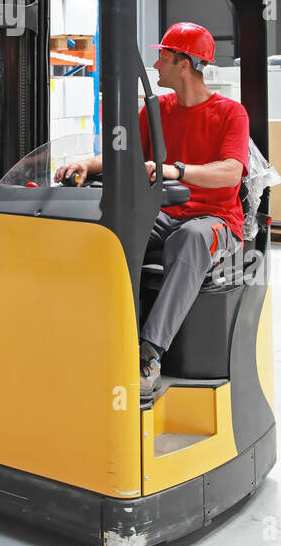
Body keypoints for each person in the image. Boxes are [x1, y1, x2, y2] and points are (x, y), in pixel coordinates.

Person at [55, 21, 249, 397]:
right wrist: (86, 165)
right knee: (111, 227)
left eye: (162, 56)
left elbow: (231, 172)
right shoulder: (157, 110)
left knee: (191, 240)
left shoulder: (229, 113)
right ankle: (95, 333)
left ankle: (149, 352)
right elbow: (123, 154)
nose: (155, 64)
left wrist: (177, 170)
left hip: (216, 220)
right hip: (164, 212)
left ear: (184, 64)